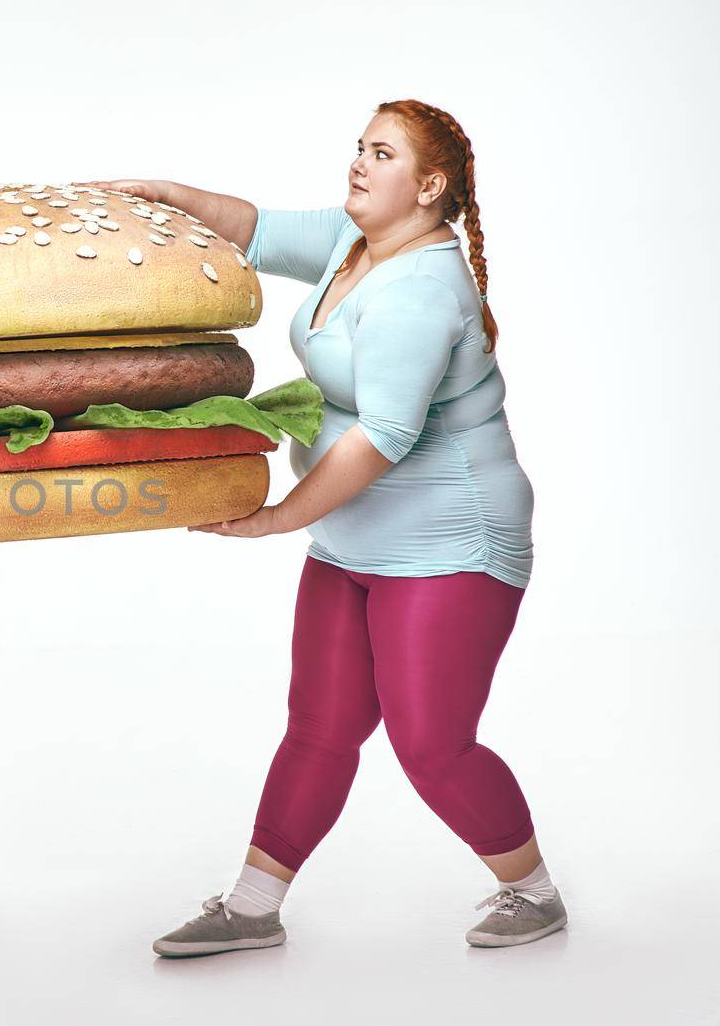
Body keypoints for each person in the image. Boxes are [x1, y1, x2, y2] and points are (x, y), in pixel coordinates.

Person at [86, 98, 562, 955]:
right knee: (319, 725)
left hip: (451, 545)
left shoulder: (421, 289)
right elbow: (255, 228)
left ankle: (530, 891)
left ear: (429, 186)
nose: (358, 164)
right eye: (359, 147)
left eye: (380, 154)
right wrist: (166, 195)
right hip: (352, 538)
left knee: (432, 745)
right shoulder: (357, 247)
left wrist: (274, 521)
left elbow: (383, 438)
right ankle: (252, 906)